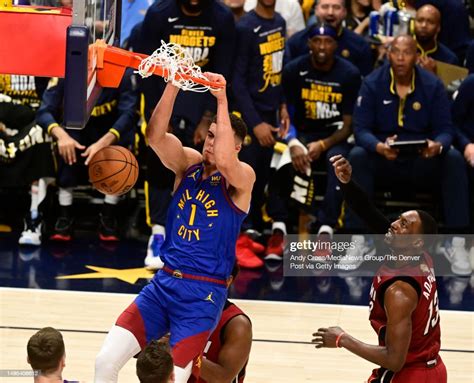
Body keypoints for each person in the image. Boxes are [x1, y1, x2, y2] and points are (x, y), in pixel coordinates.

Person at [94, 72, 255, 383]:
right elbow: (154, 136)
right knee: (105, 362)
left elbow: (223, 160)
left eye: (219, 137)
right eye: (209, 135)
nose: (212, 142)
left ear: (237, 147)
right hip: (164, 283)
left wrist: (221, 97)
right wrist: (173, 86)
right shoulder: (188, 166)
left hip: (203, 294)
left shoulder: (242, 178)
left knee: (174, 378)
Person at [312, 154, 447, 383]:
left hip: (408, 374)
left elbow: (395, 360)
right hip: (432, 368)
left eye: (404, 225)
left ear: (416, 241)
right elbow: (367, 211)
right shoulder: (420, 255)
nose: (394, 224)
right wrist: (347, 182)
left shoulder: (399, 291)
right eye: (399, 219)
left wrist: (341, 339)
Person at [138, 0, 236, 269]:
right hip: (165, 95)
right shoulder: (159, 13)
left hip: (202, 99)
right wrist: (157, 115)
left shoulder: (222, 17)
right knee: (158, 157)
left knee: (203, 167)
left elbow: (223, 71)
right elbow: (145, 70)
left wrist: (207, 118)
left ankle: (194, 232)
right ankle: (157, 231)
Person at [346, 35, 469, 233]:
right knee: (357, 156)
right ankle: (357, 238)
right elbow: (360, 130)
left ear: (417, 56)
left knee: (452, 158)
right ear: (388, 54)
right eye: (396, 52)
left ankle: (457, 240)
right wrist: (378, 147)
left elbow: (446, 129)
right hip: (384, 159)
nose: (401, 58)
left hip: (421, 160)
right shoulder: (372, 83)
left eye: (407, 53)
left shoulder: (432, 85)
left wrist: (437, 145)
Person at [271, 22, 361, 239]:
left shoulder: (349, 74)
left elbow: (349, 125)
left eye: (328, 41)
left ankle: (326, 227)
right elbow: (285, 115)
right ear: (309, 43)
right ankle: (279, 225)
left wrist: (323, 145)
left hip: (334, 135)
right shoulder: (294, 70)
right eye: (317, 41)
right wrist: (293, 143)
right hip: (301, 132)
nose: (322, 46)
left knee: (338, 161)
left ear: (336, 45)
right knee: (278, 153)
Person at [36, 69, 138, 242]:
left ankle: (108, 215)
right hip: (76, 133)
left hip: (108, 133)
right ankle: (64, 215)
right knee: (67, 143)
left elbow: (128, 114)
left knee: (121, 146)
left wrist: (104, 143)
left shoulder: (124, 73)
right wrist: (61, 136)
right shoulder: (65, 70)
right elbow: (43, 112)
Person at [231, 0, 289, 264]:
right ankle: (237, 237)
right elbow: (237, 81)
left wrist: (283, 106)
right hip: (250, 115)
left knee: (265, 175)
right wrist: (255, 123)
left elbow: (280, 71)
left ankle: (251, 231)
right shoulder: (245, 27)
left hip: (271, 112)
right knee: (245, 177)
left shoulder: (280, 22)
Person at [0, 74, 54, 246]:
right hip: (5, 126)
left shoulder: (47, 63)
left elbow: (47, 108)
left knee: (43, 134)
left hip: (35, 128)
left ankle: (34, 217)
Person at [188, 263, 252, 383]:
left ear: (227, 281)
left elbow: (222, 378)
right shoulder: (177, 307)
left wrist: (180, 351)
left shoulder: (237, 324)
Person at [286, 0, 373, 76]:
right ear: (316, 10)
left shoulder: (360, 45)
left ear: (344, 12)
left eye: (336, 7)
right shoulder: (297, 42)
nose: (330, 12)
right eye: (325, 7)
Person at [414, 4, 458, 75]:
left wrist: (432, 75)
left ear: (438, 28)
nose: (424, 25)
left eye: (430, 22)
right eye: (420, 20)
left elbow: (450, 85)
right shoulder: (401, 51)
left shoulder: (449, 59)